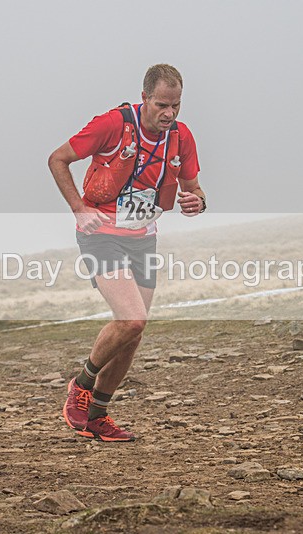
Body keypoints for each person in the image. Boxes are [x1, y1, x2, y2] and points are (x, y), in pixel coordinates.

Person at [48, 64, 205, 441]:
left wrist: (197, 202)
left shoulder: (181, 137)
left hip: (143, 238)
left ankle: (97, 415)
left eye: (176, 105)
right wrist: (78, 208)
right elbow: (57, 159)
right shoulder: (113, 125)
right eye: (162, 105)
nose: (169, 113)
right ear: (145, 98)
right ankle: (81, 385)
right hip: (101, 233)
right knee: (132, 319)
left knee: (133, 333)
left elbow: (194, 188)